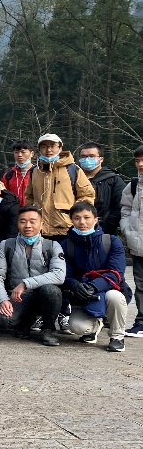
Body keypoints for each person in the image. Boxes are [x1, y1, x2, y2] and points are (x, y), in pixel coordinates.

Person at [0, 205, 65, 346]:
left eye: (32, 221)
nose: (27, 226)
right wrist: (2, 300)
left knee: (51, 291)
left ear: (42, 225)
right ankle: (25, 322)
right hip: (18, 297)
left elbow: (59, 275)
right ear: (17, 224)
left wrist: (25, 283)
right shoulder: (6, 245)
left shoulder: (52, 245)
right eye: (23, 221)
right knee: (3, 320)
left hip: (43, 294)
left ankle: (48, 329)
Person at [61, 201, 130, 353]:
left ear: (96, 219)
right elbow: (66, 274)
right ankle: (94, 327)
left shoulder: (111, 241)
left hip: (109, 290)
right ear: (71, 220)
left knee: (115, 297)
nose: (82, 222)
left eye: (87, 217)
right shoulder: (66, 245)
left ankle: (117, 336)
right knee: (77, 326)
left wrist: (94, 286)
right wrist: (75, 285)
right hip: (83, 294)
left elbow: (116, 273)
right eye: (77, 218)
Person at [25, 133, 95, 239]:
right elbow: (29, 197)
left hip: (67, 228)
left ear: (60, 148)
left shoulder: (72, 169)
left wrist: (76, 215)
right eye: (44, 146)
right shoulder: (35, 171)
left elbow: (87, 195)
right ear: (39, 149)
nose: (48, 150)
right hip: (39, 228)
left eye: (53, 146)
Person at [78, 142, 125, 235]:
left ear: (101, 159)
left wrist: (108, 225)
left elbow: (121, 205)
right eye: (83, 156)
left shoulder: (114, 179)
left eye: (91, 156)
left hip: (105, 231)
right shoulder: (73, 178)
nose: (87, 159)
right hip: (76, 230)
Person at [121, 146, 143, 338]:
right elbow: (126, 210)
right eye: (137, 161)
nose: (140, 164)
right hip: (139, 245)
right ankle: (141, 322)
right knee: (140, 286)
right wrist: (128, 231)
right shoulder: (134, 185)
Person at [2, 140, 35, 205]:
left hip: (33, 210)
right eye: (16, 152)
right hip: (14, 210)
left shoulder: (38, 174)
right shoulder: (8, 176)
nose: (19, 155)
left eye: (23, 152)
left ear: (32, 154)